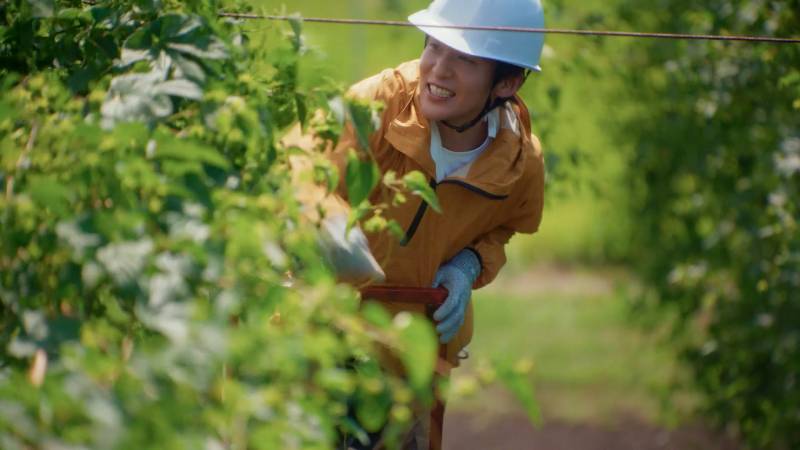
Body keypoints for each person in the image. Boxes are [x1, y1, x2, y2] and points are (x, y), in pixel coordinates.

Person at [324, 0, 546, 448]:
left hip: (409, 359)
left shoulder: (519, 163)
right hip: (316, 338)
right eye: (434, 45)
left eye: (464, 58)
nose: (438, 69)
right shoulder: (379, 103)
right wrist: (324, 221)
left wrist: (468, 265)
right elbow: (301, 163)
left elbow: (500, 231)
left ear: (507, 82)